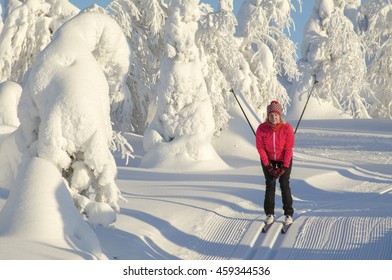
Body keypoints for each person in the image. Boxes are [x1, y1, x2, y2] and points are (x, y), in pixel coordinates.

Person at [255, 100, 295, 226]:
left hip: (284, 159)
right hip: (269, 159)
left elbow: (289, 149)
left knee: (284, 184)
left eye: (276, 115)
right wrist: (268, 166)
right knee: (270, 184)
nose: (273, 118)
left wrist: (284, 167)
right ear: (268, 116)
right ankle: (269, 213)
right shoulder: (262, 129)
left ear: (280, 115)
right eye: (271, 115)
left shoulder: (287, 128)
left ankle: (288, 214)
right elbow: (260, 148)